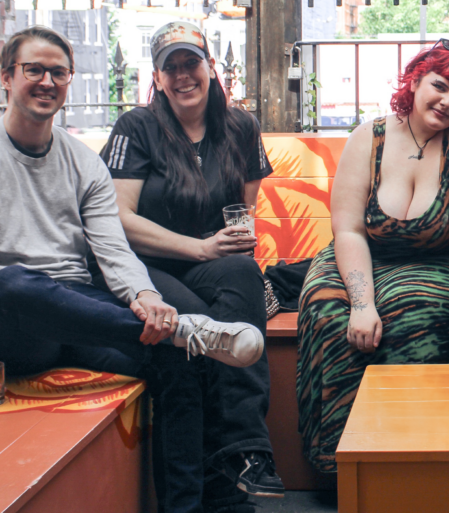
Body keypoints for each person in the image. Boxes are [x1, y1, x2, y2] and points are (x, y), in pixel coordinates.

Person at [0, 25, 264, 513]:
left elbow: (112, 247)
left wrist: (146, 300)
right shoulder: (136, 128)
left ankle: (188, 505)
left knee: (174, 358)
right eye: (33, 70)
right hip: (18, 325)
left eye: (57, 72)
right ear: (6, 78)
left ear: (70, 80)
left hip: (82, 312)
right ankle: (187, 330)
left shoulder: (83, 163)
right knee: (10, 282)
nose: (45, 81)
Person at [296, 38, 449, 472]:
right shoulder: (367, 137)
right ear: (413, 81)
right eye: (439, 86)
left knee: (418, 311)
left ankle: (414, 459)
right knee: (327, 314)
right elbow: (348, 228)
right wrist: (362, 303)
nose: (448, 102)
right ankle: (339, 467)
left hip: (432, 260)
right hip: (359, 255)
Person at [101, 21, 281, 511]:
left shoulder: (241, 127)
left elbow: (244, 216)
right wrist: (200, 248)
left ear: (210, 69)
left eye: (191, 63)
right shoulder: (136, 128)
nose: (183, 75)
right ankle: (187, 500)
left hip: (216, 266)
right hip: (149, 268)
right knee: (188, 346)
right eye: (170, 67)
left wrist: (235, 242)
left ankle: (243, 453)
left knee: (243, 276)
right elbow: (118, 219)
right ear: (157, 78)